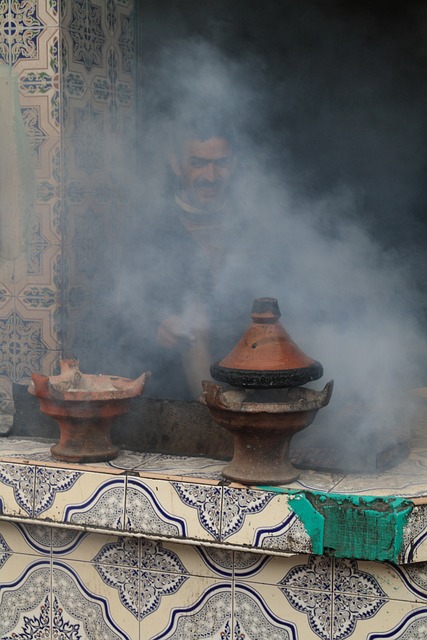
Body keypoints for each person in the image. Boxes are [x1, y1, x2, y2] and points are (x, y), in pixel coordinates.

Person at [119, 111, 253, 400]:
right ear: (176, 164)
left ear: (235, 164)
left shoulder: (252, 225)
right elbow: (118, 310)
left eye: (221, 164)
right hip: (174, 386)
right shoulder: (150, 227)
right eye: (198, 164)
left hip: (251, 371)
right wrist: (157, 326)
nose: (211, 176)